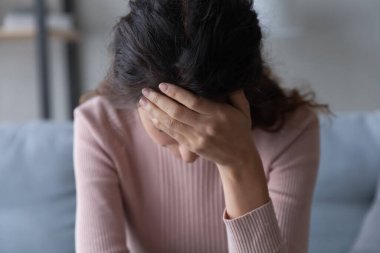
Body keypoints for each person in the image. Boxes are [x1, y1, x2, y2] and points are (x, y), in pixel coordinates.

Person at [74, 0, 329, 252]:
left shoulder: (293, 131)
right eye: (169, 130)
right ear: (134, 97)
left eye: (211, 125)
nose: (189, 155)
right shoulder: (99, 126)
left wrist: (240, 164)